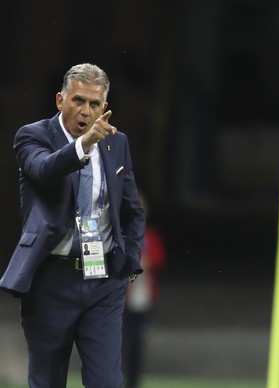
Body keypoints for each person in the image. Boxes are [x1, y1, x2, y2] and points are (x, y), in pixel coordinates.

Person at [0, 63, 145, 388]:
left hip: (104, 281)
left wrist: (129, 265)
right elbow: (43, 169)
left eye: (94, 104)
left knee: (107, 383)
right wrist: (83, 145)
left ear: (104, 108)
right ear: (59, 101)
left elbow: (132, 210)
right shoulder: (33, 135)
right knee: (47, 381)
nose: (85, 110)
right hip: (52, 279)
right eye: (78, 100)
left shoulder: (116, 143)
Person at [122, 191, 166, 388]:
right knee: (120, 343)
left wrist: (145, 263)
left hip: (143, 297)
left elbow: (158, 259)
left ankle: (133, 382)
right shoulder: (122, 233)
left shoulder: (151, 236)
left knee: (137, 343)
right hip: (123, 298)